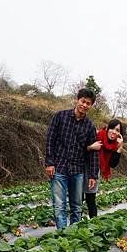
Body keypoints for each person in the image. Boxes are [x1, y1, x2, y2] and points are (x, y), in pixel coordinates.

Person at [44, 88, 98, 229]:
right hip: (59, 167)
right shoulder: (60, 117)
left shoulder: (90, 126)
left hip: (77, 170)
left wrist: (93, 175)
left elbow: (93, 152)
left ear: (91, 106)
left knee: (77, 206)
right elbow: (50, 139)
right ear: (77, 100)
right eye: (83, 101)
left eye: (88, 103)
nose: (85, 105)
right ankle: (62, 236)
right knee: (59, 205)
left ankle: (74, 234)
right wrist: (49, 163)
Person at [84, 119, 125, 218]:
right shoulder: (97, 135)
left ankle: (94, 225)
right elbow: (80, 148)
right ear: (107, 128)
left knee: (91, 199)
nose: (114, 132)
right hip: (82, 168)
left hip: (94, 172)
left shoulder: (115, 145)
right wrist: (90, 147)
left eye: (118, 131)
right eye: (112, 128)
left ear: (120, 135)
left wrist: (119, 149)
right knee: (77, 199)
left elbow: (112, 164)